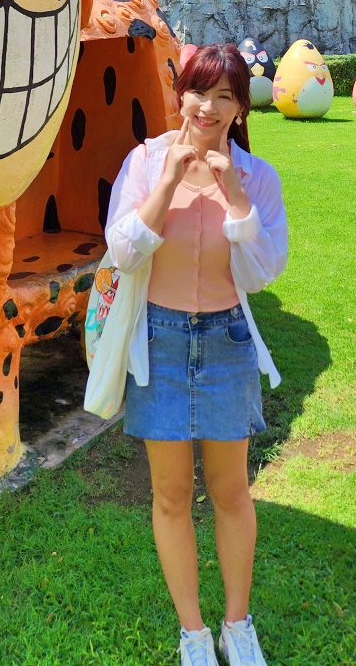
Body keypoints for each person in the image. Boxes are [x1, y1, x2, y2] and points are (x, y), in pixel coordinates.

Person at [104, 43, 288, 666]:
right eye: (198, 91)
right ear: (179, 92)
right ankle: (194, 633)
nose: (207, 107)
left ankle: (238, 623)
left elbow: (263, 271)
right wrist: (168, 183)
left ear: (240, 108)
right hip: (158, 340)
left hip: (227, 339)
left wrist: (234, 193)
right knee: (170, 495)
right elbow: (122, 253)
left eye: (225, 96)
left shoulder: (257, 175)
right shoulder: (145, 160)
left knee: (232, 490)